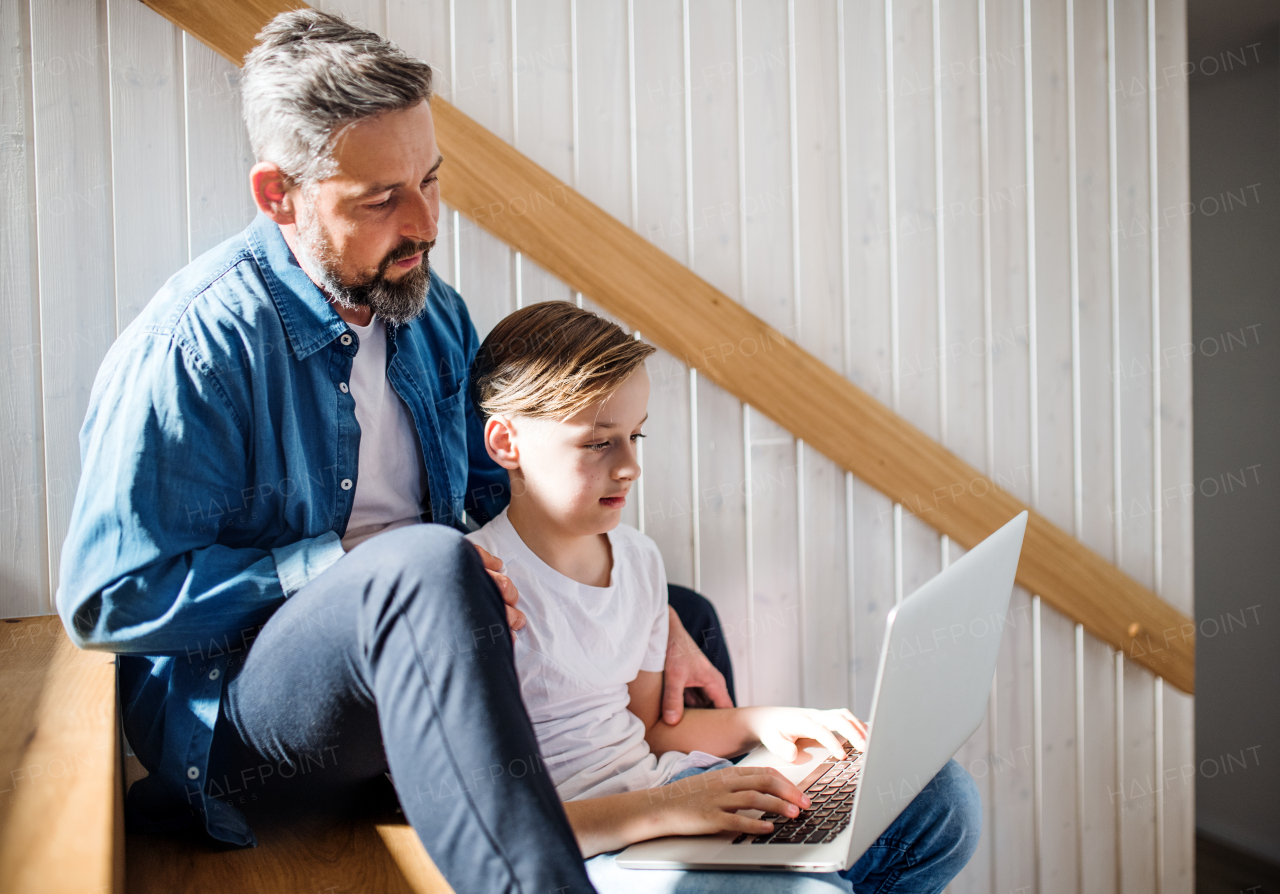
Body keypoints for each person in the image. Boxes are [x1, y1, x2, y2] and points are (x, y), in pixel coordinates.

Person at [54, 11, 728, 893]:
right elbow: (107, 602)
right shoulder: (196, 350)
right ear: (278, 194)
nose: (424, 224)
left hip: (429, 649)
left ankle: (758, 849)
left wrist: (647, 612)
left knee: (680, 610)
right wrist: (344, 563)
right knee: (425, 565)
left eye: (431, 181)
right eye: (381, 199)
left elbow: (502, 495)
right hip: (254, 731)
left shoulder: (428, 310)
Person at [464, 301, 984, 893]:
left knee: (941, 798)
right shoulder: (477, 587)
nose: (631, 465)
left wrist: (775, 725)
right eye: (598, 443)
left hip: (665, 797)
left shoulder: (637, 560)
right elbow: (488, 827)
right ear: (507, 442)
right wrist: (667, 809)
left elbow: (647, 730)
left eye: (636, 436)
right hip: (591, 848)